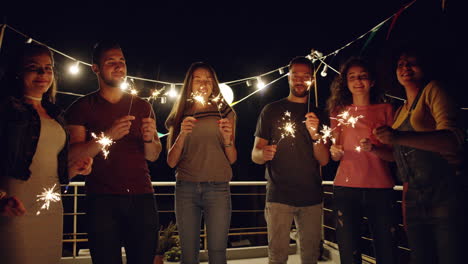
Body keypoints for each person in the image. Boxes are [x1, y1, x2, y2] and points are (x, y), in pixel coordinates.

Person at [65, 41, 162, 264]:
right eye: (111, 62)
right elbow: (73, 155)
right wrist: (108, 135)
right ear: (95, 68)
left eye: (122, 62)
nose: (119, 67)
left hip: (142, 198)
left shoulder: (142, 106)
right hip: (101, 199)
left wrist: (149, 139)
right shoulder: (81, 107)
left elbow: (153, 155)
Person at [0, 43, 93, 264]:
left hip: (52, 208)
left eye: (48, 68)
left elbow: (51, 166)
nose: (43, 74)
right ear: (17, 71)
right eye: (34, 67)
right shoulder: (6, 110)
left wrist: (74, 169)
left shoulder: (57, 115)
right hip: (14, 207)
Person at [374, 46, 464, 264]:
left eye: (411, 62)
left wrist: (397, 137)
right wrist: (376, 149)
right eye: (400, 64)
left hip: (443, 192)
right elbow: (401, 157)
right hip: (414, 197)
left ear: (425, 65)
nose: (405, 67)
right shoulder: (400, 110)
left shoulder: (433, 90)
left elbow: (452, 141)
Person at [251, 56, 329, 264]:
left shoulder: (319, 113)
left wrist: (315, 135)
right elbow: (255, 154)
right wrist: (263, 153)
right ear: (288, 77)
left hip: (312, 196)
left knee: (311, 256)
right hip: (278, 196)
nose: (300, 80)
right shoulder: (271, 110)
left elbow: (324, 159)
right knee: (277, 257)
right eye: (296, 75)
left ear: (312, 80)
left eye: (306, 76)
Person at [327, 57, 397, 264]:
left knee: (388, 251)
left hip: (381, 189)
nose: (358, 81)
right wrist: (335, 152)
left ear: (372, 81)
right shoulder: (338, 112)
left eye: (363, 76)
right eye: (352, 77)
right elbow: (334, 151)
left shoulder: (387, 110)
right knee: (349, 253)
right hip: (346, 190)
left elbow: (395, 156)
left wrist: (374, 149)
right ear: (346, 83)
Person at [165, 62, 236, 264]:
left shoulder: (226, 113)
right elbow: (171, 162)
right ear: (190, 84)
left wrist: (228, 139)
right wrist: (181, 136)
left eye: (208, 79)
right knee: (188, 255)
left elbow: (232, 158)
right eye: (198, 79)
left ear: (214, 84)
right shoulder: (180, 114)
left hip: (218, 188)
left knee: (217, 253)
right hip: (186, 189)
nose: (203, 83)